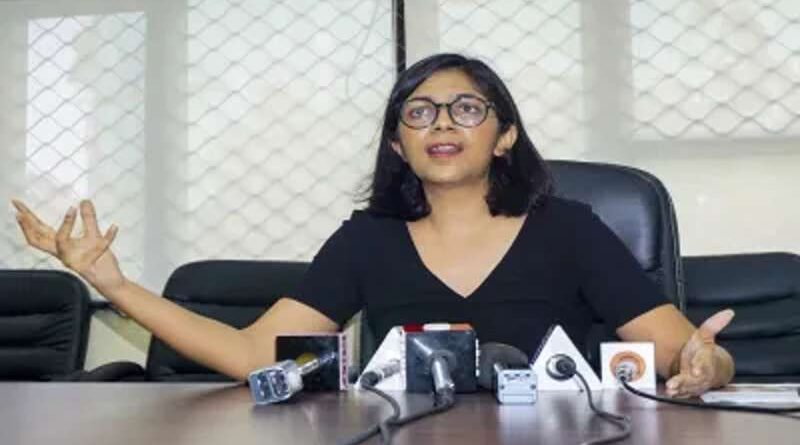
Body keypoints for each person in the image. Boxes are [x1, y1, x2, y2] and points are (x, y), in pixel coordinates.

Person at [12, 53, 734, 398]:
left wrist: (711, 366)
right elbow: (250, 352)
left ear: (505, 136)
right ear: (398, 143)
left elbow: (686, 354)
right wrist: (114, 284)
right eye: (419, 112)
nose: (441, 123)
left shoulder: (569, 229)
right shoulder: (367, 240)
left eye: (466, 109)